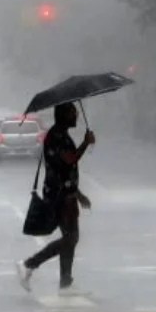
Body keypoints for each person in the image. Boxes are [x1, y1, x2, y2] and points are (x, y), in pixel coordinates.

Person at [16, 102, 96, 296]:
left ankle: (65, 284)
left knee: (71, 238)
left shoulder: (62, 135)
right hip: (59, 196)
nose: (76, 116)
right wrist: (85, 143)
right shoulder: (55, 137)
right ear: (62, 116)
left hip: (67, 193)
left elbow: (66, 170)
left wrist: (78, 194)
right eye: (72, 113)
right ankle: (29, 264)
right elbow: (68, 160)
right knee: (71, 238)